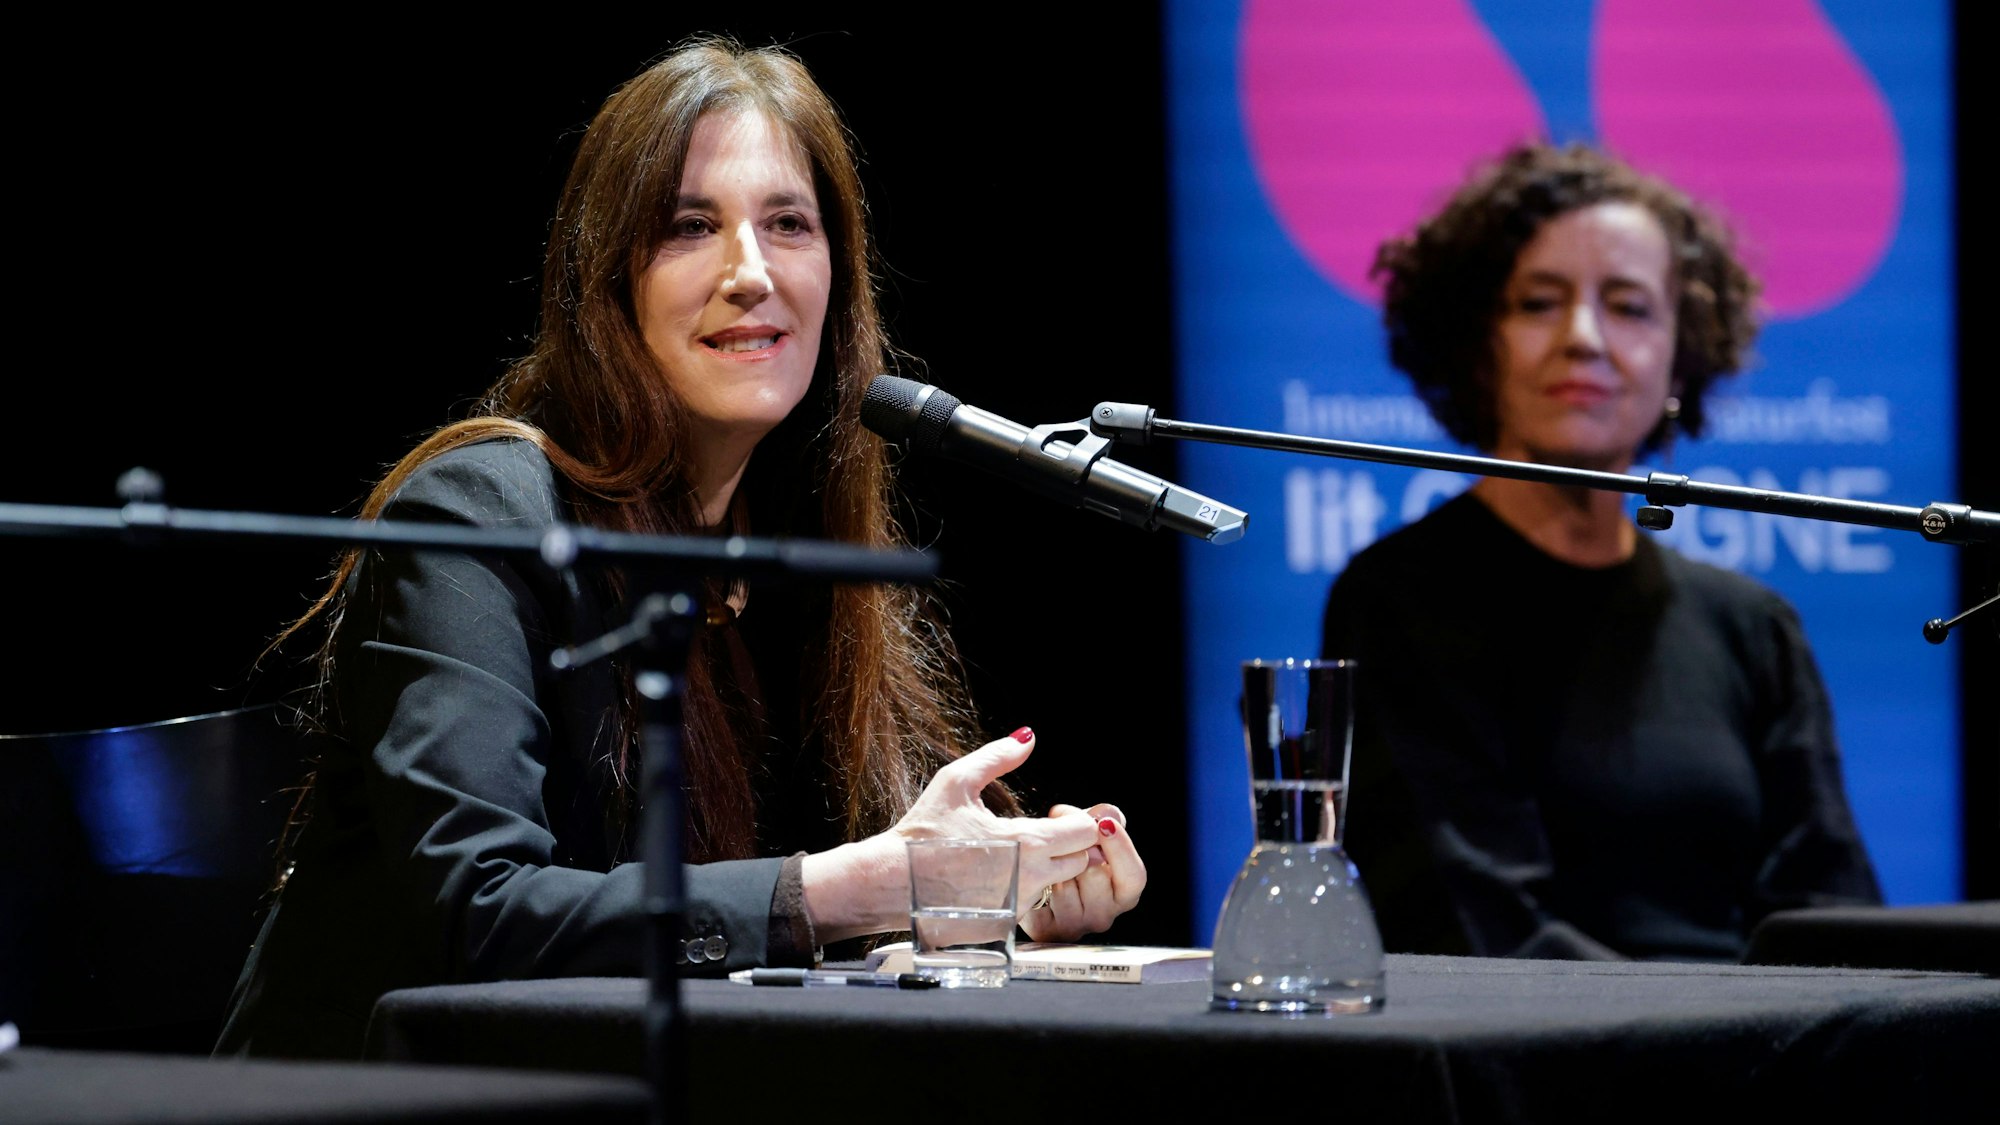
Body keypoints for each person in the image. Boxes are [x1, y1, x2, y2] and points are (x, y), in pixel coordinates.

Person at [216, 37, 1145, 1058]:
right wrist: (880, 880)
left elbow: (800, 915)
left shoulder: (794, 548)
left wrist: (997, 899)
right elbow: (474, 909)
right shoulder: (476, 515)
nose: (750, 274)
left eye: (788, 225)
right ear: (606, 278)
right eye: (690, 228)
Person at [1320, 141, 1880, 962]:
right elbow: (1475, 923)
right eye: (1539, 303)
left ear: (1681, 356)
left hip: (1766, 1066)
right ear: (1481, 346)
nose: (1584, 337)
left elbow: (1836, 912)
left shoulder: (1753, 626)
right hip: (1542, 1069)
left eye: (1630, 306)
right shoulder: (1399, 600)